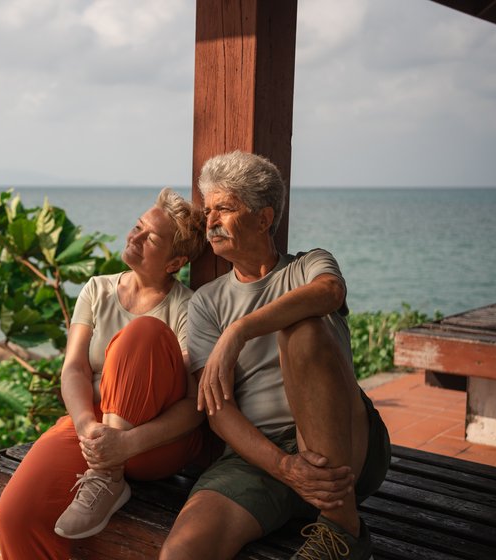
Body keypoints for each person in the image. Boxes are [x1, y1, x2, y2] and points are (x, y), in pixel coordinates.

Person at [160, 151, 390, 560]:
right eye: (207, 209)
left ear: (263, 219)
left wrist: (241, 329)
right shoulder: (207, 303)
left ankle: (342, 530)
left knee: (302, 329)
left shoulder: (308, 266)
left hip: (349, 440)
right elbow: (216, 407)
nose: (210, 220)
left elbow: (329, 293)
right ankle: (304, 496)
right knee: (182, 552)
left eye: (224, 208)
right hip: (258, 456)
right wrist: (285, 467)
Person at [0, 188, 207, 560]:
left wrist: (123, 447)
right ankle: (103, 465)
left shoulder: (187, 307)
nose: (134, 238)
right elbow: (74, 367)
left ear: (175, 262)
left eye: (150, 237)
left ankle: (108, 477)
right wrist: (87, 429)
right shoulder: (98, 289)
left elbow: (193, 407)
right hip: (93, 429)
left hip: (154, 442)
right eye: (137, 227)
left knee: (143, 332)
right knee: (16, 515)